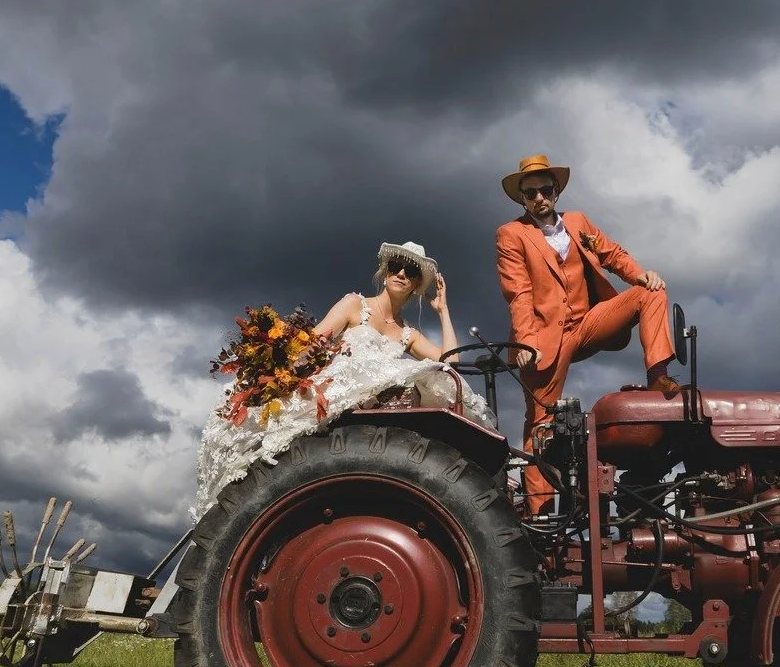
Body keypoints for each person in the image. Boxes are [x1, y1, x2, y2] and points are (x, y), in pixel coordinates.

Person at [195, 240, 491, 517]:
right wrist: (279, 362)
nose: (401, 273)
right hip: (343, 387)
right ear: (385, 271)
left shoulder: (407, 334)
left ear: (416, 286)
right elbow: (313, 341)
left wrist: (443, 311)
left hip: (377, 395)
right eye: (395, 266)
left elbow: (451, 363)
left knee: (437, 379)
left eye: (411, 271)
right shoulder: (354, 304)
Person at [494, 155, 678, 514]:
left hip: (587, 323)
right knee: (540, 425)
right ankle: (541, 513)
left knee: (651, 293)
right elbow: (518, 292)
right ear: (522, 199)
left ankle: (658, 376)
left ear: (556, 191)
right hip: (546, 338)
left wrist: (641, 276)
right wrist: (526, 341)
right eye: (530, 193)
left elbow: (613, 254)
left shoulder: (578, 222)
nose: (538, 198)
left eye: (545, 190)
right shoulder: (511, 234)